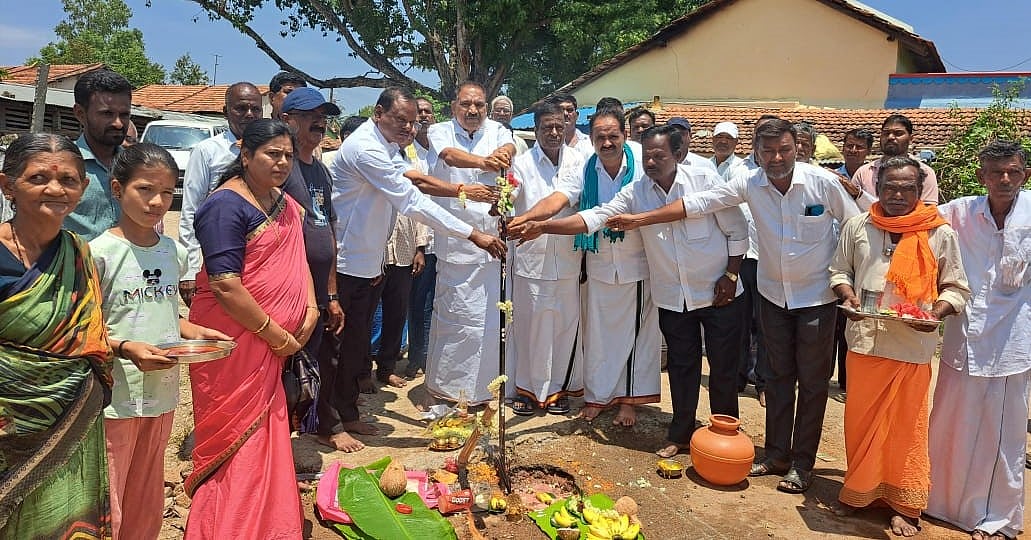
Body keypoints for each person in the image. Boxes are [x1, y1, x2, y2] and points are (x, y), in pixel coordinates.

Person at [603, 119, 860, 492]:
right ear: (755, 152)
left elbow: (856, 228)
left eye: (784, 150)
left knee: (814, 382)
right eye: (768, 151)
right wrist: (640, 218)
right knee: (777, 377)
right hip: (773, 295)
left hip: (818, 297)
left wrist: (845, 283)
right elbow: (697, 204)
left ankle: (802, 463)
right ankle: (775, 456)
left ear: (797, 148)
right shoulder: (748, 182)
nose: (776, 158)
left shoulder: (822, 182)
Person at [513, 125, 749, 456]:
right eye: (648, 156)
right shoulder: (637, 192)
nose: (651, 162)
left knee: (722, 368)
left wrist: (731, 274)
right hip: (672, 296)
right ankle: (680, 435)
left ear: (677, 154)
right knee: (683, 367)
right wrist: (544, 227)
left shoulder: (703, 180)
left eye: (659, 156)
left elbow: (737, 231)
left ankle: (726, 441)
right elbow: (595, 216)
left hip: (717, 291)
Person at [324, 86, 505, 451]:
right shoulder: (367, 148)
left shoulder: (390, 147)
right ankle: (327, 422)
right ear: (378, 113)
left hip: (368, 260)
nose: (409, 128)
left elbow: (416, 183)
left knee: (356, 345)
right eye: (400, 120)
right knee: (336, 346)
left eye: (412, 122)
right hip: (344, 261)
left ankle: (347, 413)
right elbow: (412, 200)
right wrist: (473, 231)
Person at [186, 120, 319, 538]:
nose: (281, 162)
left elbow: (299, 259)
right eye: (271, 154)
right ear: (245, 156)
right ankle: (227, 527)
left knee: (271, 429)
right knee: (238, 437)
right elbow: (225, 285)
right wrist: (278, 336)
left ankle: (272, 523)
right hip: (233, 342)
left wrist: (311, 307)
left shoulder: (284, 203)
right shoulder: (225, 205)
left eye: (286, 154)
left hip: (273, 343)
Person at [90, 143, 231, 539]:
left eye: (167, 193)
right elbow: (88, 326)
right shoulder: (100, 253)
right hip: (116, 395)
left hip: (163, 391)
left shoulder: (173, 251)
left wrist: (196, 332)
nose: (156, 201)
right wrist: (126, 348)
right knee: (109, 490)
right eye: (145, 189)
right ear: (117, 190)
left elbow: (167, 312)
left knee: (147, 487)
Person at [829, 156, 968, 537]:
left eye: (907, 188)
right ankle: (861, 492)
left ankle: (903, 504)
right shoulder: (858, 225)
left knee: (907, 427)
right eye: (890, 186)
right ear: (878, 186)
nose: (897, 195)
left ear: (920, 189)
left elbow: (956, 288)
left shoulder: (940, 233)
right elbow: (839, 271)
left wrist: (934, 314)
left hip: (912, 345)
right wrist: (847, 296)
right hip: (865, 341)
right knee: (861, 423)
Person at [509, 109, 659, 425]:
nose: (607, 143)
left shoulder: (641, 168)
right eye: (600, 137)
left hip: (638, 263)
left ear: (625, 136)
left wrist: (541, 225)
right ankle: (598, 397)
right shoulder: (584, 167)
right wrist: (528, 218)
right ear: (591, 140)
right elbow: (559, 198)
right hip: (598, 263)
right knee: (598, 337)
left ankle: (628, 402)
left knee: (636, 337)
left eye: (613, 136)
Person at [0, 134, 112, 539]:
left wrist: (129, 347)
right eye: (39, 178)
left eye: (68, 179)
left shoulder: (80, 254)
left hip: (70, 420)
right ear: (8, 186)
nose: (55, 189)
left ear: (83, 188)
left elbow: (89, 338)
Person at [926, 140, 1031, 540]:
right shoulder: (959, 213)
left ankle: (998, 519)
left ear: (1025, 174)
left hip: (1013, 345)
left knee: (1003, 437)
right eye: (996, 172)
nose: (1005, 179)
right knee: (949, 425)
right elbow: (910, 218)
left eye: (1013, 171)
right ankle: (939, 503)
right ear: (981, 176)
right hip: (963, 339)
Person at [424, 81, 516, 406]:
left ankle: (480, 393)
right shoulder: (439, 130)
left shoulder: (499, 130)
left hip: (490, 245)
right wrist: (483, 163)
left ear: (487, 107)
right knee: (453, 320)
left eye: (479, 104)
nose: (473, 110)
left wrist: (504, 154)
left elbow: (509, 150)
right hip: (455, 245)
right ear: (454, 106)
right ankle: (447, 391)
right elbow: (448, 157)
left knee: (485, 324)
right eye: (466, 104)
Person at [506, 101, 586, 416]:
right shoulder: (522, 163)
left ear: (567, 125)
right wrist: (501, 202)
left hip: (568, 257)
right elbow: (509, 195)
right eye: (546, 128)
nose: (553, 132)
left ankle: (558, 390)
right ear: (536, 130)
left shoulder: (580, 161)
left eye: (558, 126)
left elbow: (565, 198)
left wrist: (529, 222)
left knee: (564, 328)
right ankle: (525, 391)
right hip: (530, 258)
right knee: (528, 327)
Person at [279, 87, 346, 431]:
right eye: (309, 116)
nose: (318, 123)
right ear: (286, 120)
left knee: (322, 356)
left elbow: (329, 229)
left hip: (320, 284)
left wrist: (332, 293)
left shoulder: (321, 171)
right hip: (289, 285)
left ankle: (313, 425)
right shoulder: (280, 169)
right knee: (286, 360)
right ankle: (283, 434)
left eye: (322, 117)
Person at [179, 82, 263, 305]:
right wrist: (189, 270)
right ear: (226, 111)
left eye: (255, 109)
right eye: (241, 108)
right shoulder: (207, 151)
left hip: (257, 259)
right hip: (216, 254)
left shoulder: (269, 152)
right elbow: (191, 209)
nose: (249, 114)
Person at [66, 69, 133, 240]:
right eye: (107, 114)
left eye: (124, 115)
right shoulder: (63, 167)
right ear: (80, 113)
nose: (118, 124)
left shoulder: (135, 166)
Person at [405, 97, 439, 380]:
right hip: (423, 241)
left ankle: (436, 356)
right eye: (420, 113)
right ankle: (418, 356)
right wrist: (419, 245)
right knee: (420, 303)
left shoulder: (443, 151)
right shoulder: (406, 153)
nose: (424, 116)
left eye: (428, 112)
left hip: (451, 240)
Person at [852, 114, 939, 204]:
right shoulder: (863, 172)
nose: (890, 137)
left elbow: (928, 210)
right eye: (886, 133)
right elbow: (851, 208)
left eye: (898, 133)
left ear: (910, 139)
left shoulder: (924, 172)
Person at [553, 93, 592, 158]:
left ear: (577, 115)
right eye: (560, 110)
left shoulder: (590, 143)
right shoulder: (546, 143)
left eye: (569, 110)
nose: (565, 113)